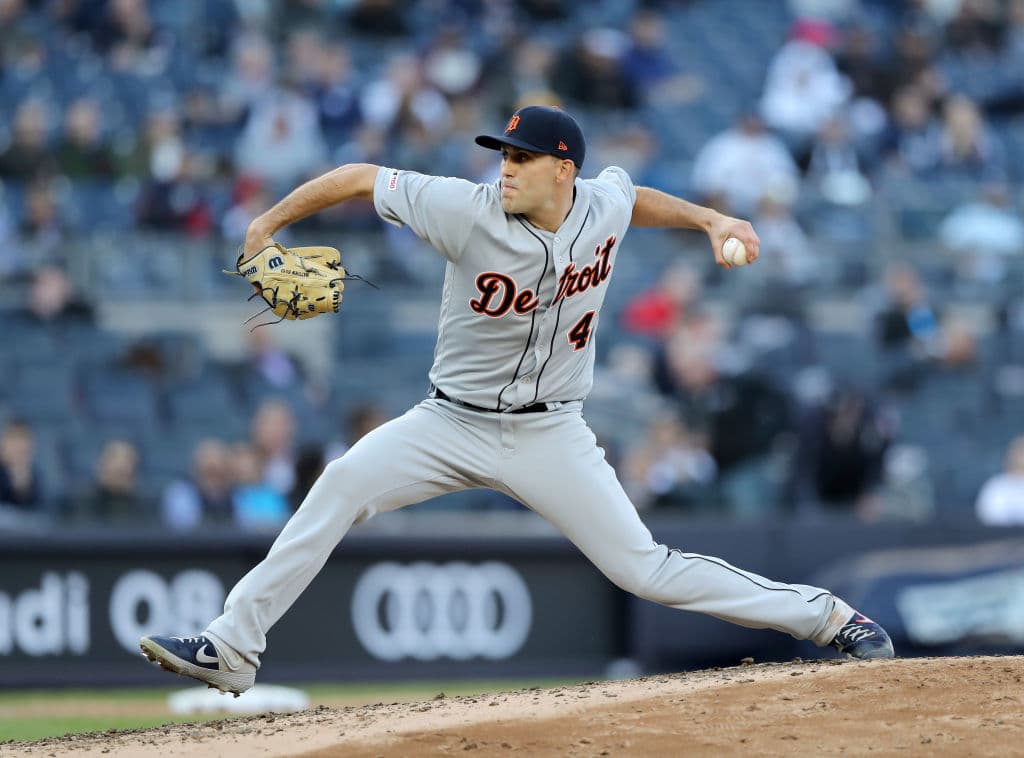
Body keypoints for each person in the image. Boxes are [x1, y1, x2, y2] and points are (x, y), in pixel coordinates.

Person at [140, 105, 894, 697]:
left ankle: (829, 617)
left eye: (521, 158)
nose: (505, 168)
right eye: (502, 154)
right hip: (449, 421)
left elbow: (632, 198)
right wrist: (267, 223)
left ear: (563, 171)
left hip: (551, 434)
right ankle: (232, 646)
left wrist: (711, 219)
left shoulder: (600, 204)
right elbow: (360, 176)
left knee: (645, 569)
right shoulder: (463, 209)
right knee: (340, 484)